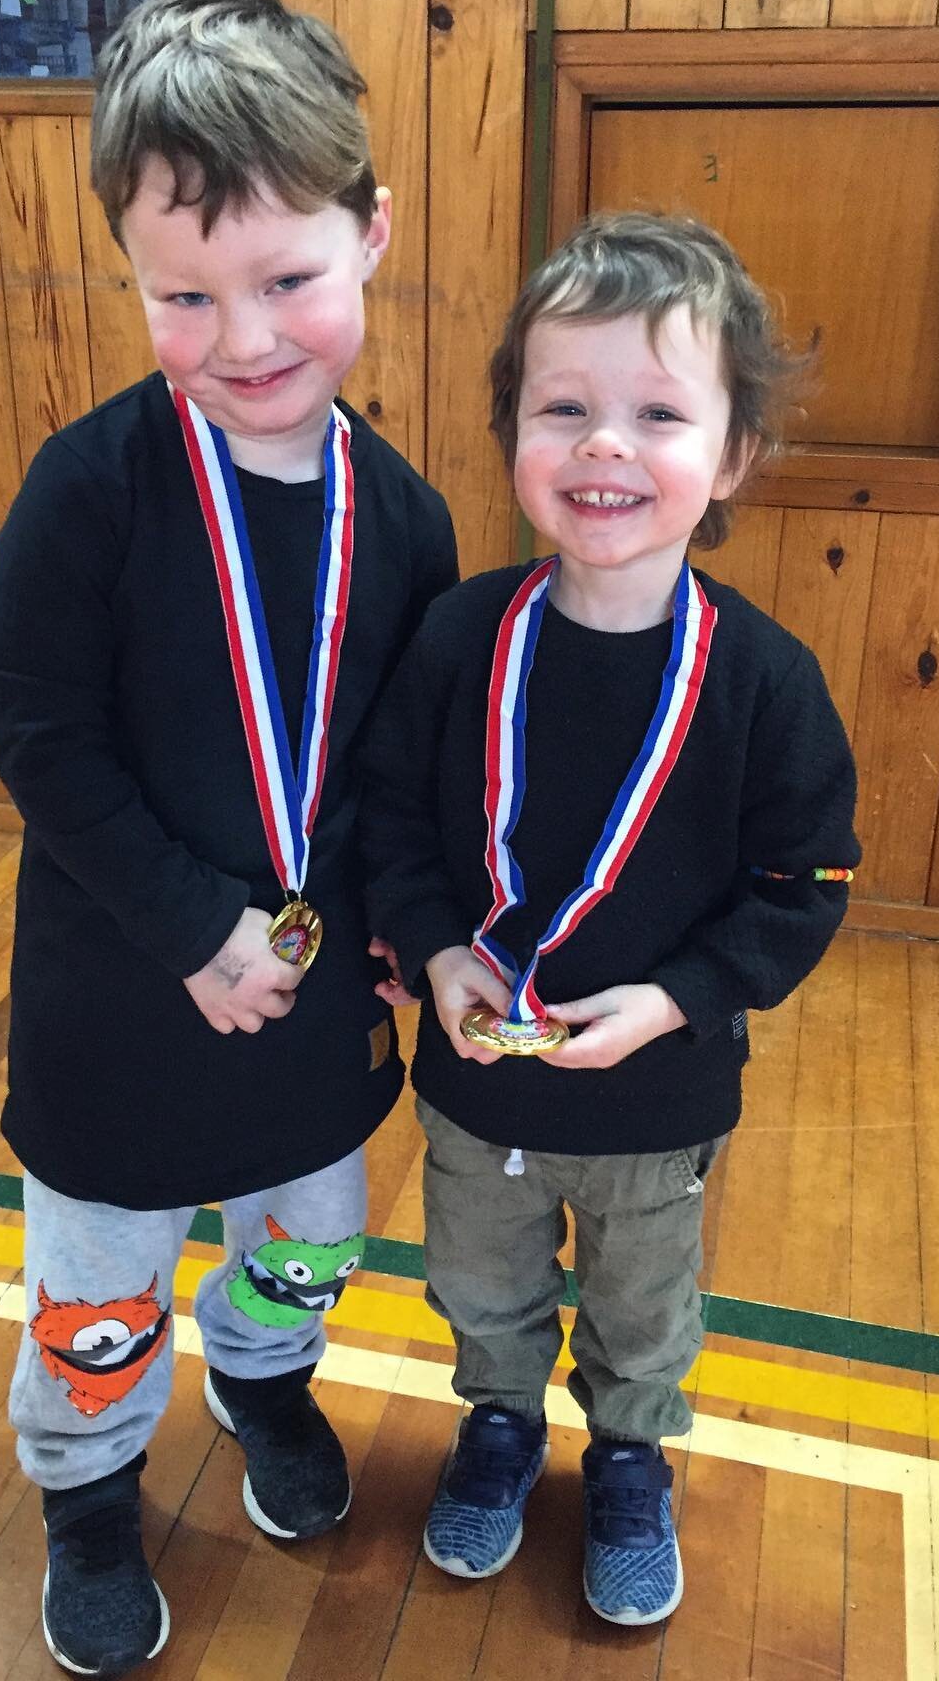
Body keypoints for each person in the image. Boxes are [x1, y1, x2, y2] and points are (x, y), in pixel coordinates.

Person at [0, 0, 456, 1677]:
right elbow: (33, 720)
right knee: (100, 1292)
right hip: (121, 992)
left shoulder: (408, 517)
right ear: (132, 273)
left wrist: (410, 932)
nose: (244, 341)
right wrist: (188, 927)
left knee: (313, 1237)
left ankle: (260, 1377)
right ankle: (88, 1491)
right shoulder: (89, 489)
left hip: (314, 1000)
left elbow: (401, 766)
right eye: (185, 296)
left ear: (373, 233)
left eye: (288, 280)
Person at [363, 212, 859, 1628]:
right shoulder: (460, 637)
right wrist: (440, 945)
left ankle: (630, 1460)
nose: (603, 448)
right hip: (474, 1085)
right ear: (513, 426)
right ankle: (501, 1425)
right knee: (480, 1283)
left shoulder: (766, 681)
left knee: (646, 1313)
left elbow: (804, 886)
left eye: (658, 412)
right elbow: (392, 821)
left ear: (733, 457)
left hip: (660, 1097)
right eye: (562, 407)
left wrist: (680, 998)